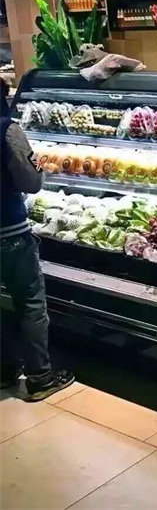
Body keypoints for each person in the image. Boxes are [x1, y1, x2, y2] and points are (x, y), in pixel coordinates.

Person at [0, 80, 74, 401]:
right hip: (9, 231)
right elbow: (32, 181)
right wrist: (41, 163)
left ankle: (4, 371)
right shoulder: (8, 130)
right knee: (30, 300)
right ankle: (40, 377)